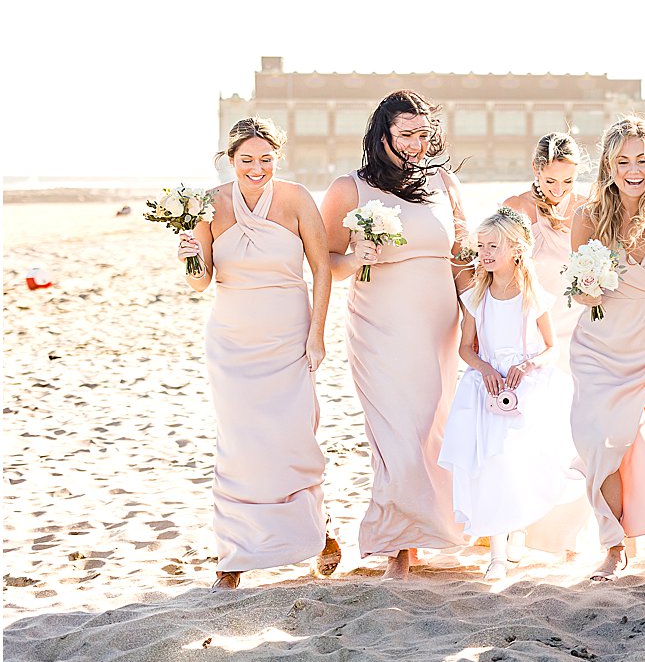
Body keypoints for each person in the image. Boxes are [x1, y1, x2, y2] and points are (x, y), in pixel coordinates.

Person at [177, 118, 338, 588]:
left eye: (266, 158)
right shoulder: (206, 204)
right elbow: (199, 280)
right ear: (230, 161)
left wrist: (317, 333)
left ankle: (317, 533)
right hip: (232, 340)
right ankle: (233, 556)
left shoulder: (296, 198)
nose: (257, 168)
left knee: (293, 438)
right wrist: (188, 252)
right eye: (246, 159)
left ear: (277, 158)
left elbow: (322, 269)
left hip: (289, 335)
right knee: (240, 447)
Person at [319, 90, 469, 579]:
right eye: (405, 135)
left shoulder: (445, 184)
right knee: (396, 432)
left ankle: (430, 528)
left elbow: (462, 257)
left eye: (423, 134)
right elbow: (326, 263)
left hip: (439, 328)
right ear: (382, 135)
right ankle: (400, 544)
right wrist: (356, 256)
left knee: (431, 428)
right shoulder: (350, 189)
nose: (416, 145)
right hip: (379, 329)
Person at [439, 207, 583, 580]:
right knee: (491, 464)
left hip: (524, 389)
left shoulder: (532, 296)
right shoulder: (475, 296)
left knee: (520, 463)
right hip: (486, 390)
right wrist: (485, 369)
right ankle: (497, 555)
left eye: (493, 246)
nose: (485, 253)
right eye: (481, 246)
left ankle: (518, 528)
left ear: (516, 249)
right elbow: (465, 348)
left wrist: (527, 365)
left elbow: (551, 347)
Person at [567, 116, 645, 582]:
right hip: (599, 345)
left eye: (642, 159)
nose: (633, 170)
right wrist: (588, 290)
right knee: (600, 439)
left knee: (633, 443)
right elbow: (577, 287)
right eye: (622, 161)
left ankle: (628, 532)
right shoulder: (586, 217)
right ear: (608, 166)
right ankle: (613, 546)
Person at [502, 132, 586, 372]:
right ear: (535, 170)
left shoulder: (589, 208)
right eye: (550, 181)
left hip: (578, 324)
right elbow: (494, 269)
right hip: (531, 326)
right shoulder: (515, 207)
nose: (559, 190)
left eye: (568, 181)